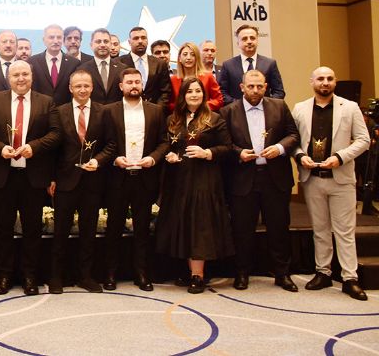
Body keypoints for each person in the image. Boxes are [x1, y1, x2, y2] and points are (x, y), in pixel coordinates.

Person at [0, 60, 60, 296]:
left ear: (32, 76)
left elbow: (56, 133)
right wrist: (0, 148)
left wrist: (34, 147)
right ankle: (4, 275)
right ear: (9, 78)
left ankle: (29, 276)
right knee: (3, 229)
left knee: (32, 230)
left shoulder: (46, 102)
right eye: (16, 75)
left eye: (25, 74)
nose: (21, 78)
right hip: (4, 176)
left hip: (33, 177)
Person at [291, 66, 370, 301]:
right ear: (312, 82)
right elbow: (293, 140)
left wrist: (340, 157)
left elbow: (363, 140)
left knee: (345, 231)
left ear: (335, 82)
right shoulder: (300, 109)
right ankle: (323, 272)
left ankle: (350, 278)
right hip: (312, 179)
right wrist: (299, 156)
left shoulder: (350, 107)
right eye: (320, 79)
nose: (325, 82)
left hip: (341, 179)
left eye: (329, 79)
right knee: (320, 229)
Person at [220, 70, 300, 291]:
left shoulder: (279, 106)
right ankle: (242, 273)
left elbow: (294, 135)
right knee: (242, 229)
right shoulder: (228, 111)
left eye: (259, 86)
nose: (255, 90)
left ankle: (282, 273)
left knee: (278, 227)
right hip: (243, 178)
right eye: (251, 86)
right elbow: (224, 144)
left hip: (275, 177)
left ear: (266, 87)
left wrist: (280, 148)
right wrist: (239, 153)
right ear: (242, 88)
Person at [156, 77, 234, 294]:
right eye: (189, 91)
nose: (194, 95)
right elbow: (168, 145)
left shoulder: (215, 119)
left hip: (203, 181)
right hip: (178, 181)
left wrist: (207, 152)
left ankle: (198, 276)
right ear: (183, 95)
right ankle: (189, 271)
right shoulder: (172, 120)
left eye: (198, 91)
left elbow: (228, 148)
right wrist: (170, 155)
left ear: (204, 94)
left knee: (199, 227)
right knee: (182, 225)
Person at [49, 69, 115, 294]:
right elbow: (53, 149)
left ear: (92, 87)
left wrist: (98, 161)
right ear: (70, 88)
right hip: (65, 181)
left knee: (88, 232)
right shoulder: (59, 112)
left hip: (92, 181)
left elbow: (111, 144)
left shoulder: (103, 112)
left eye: (86, 85)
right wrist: (52, 178)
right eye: (78, 86)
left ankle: (86, 276)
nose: (83, 89)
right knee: (60, 232)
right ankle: (56, 277)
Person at [104, 69, 169, 292]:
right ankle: (110, 273)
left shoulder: (156, 111)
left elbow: (164, 142)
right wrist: (114, 159)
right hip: (118, 177)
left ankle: (141, 273)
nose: (134, 85)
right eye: (129, 82)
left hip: (144, 178)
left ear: (142, 85)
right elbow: (103, 143)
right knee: (113, 228)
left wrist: (153, 158)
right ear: (121, 86)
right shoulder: (109, 111)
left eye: (137, 82)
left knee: (142, 230)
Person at [218, 24, 285, 104]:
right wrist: (239, 106)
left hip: (264, 110)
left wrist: (265, 105)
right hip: (236, 110)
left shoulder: (270, 64)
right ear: (238, 43)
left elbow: (279, 92)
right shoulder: (228, 65)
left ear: (257, 41)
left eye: (252, 38)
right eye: (244, 39)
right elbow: (222, 92)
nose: (249, 41)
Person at [110, 27, 171, 107]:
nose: (140, 41)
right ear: (129, 42)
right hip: (126, 110)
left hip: (155, 111)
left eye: (143, 38)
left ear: (147, 40)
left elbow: (165, 92)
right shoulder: (117, 62)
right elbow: (114, 91)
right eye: (136, 38)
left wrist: (158, 110)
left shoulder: (160, 64)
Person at [28, 24, 80, 105]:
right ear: (44, 40)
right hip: (40, 109)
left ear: (63, 39)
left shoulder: (74, 63)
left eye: (59, 37)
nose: (56, 41)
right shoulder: (32, 62)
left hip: (65, 110)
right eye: (51, 37)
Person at [170, 42, 223, 111]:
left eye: (192, 55)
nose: (188, 58)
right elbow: (170, 103)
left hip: (204, 115)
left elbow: (219, 100)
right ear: (179, 58)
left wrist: (200, 107)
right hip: (180, 116)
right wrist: (182, 108)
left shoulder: (208, 77)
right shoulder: (173, 79)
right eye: (185, 54)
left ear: (197, 58)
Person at [80, 28, 116, 104]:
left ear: (110, 44)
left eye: (106, 41)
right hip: (93, 111)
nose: (102, 45)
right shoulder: (82, 69)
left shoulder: (122, 68)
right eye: (98, 41)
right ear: (91, 45)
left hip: (117, 111)